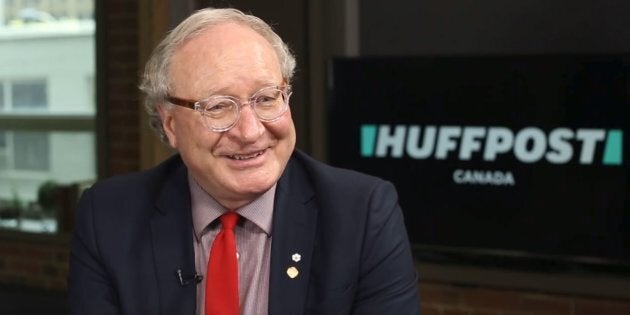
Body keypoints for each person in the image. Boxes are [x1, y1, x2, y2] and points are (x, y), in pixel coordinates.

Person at [68, 7, 420, 315]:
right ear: (170, 124)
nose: (250, 132)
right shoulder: (108, 217)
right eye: (218, 106)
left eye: (267, 98)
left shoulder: (362, 214)